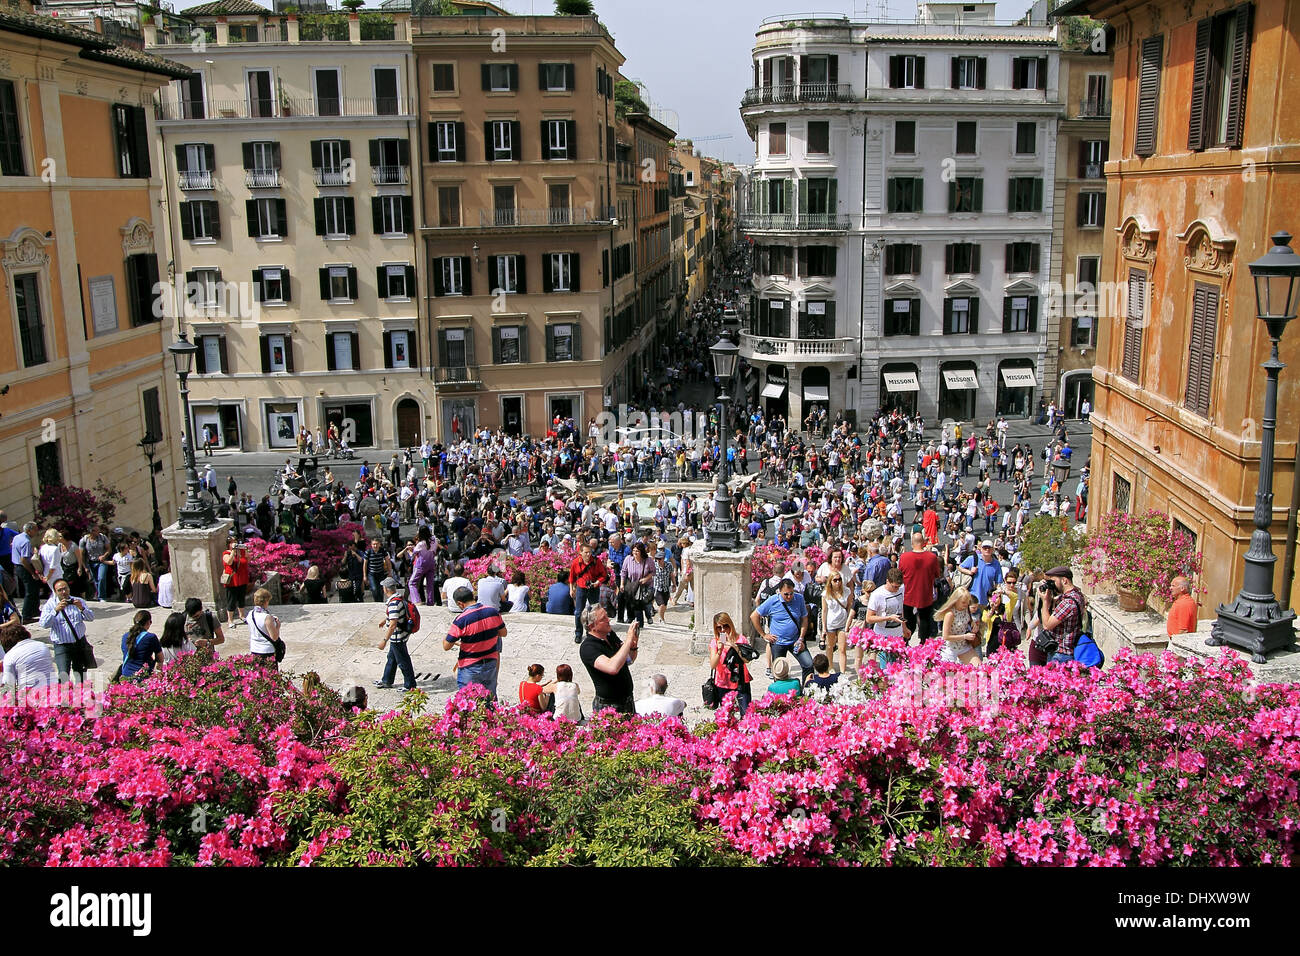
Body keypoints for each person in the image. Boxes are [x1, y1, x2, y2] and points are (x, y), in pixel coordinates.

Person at [443, 585, 507, 698]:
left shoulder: (461, 620)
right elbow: (503, 633)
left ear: (460, 604)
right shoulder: (492, 611)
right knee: (489, 699)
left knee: (469, 701)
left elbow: (446, 645)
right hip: (490, 663)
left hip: (470, 666)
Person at [578, 604, 638, 715]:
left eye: (607, 616)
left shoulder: (610, 636)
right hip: (609, 705)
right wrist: (628, 639)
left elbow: (628, 660)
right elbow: (612, 668)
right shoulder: (588, 647)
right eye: (603, 619)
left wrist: (633, 645)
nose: (608, 620)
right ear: (592, 626)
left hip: (627, 700)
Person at [751, 577, 813, 682]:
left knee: (808, 664)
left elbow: (804, 619)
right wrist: (764, 634)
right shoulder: (772, 600)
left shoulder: (799, 599)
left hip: (795, 640)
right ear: (780, 592)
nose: (789, 596)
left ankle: (806, 689)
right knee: (779, 671)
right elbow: (754, 616)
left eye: (791, 593)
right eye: (786, 594)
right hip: (778, 642)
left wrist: (801, 638)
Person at [39, 578, 95, 684]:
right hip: (62, 645)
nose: (63, 592)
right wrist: (55, 611)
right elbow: (43, 624)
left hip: (79, 643)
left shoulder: (78, 601)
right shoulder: (50, 605)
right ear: (55, 592)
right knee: (63, 674)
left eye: (65, 588)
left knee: (80, 673)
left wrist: (82, 608)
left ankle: (81, 696)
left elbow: (91, 617)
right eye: (60, 590)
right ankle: (64, 698)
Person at [1036, 566, 1087, 665]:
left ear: (1064, 580)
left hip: (1061, 654)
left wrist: (1045, 602)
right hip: (1064, 652)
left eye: (1053, 581)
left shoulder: (1068, 602)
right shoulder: (1077, 594)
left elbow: (1047, 625)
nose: (1052, 585)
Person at [375, 577, 417, 692]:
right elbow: (394, 616)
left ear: (386, 589)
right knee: (392, 659)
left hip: (397, 637)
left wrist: (384, 640)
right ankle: (386, 680)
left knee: (403, 661)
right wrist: (385, 620)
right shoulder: (398, 598)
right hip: (400, 635)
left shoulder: (393, 603)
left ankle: (410, 685)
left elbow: (393, 625)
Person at [863, 567, 909, 672]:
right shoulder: (877, 595)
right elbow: (869, 618)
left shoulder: (901, 589)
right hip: (883, 637)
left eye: (899, 586)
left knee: (899, 668)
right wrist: (889, 617)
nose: (897, 589)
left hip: (898, 635)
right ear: (887, 581)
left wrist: (904, 627)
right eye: (894, 587)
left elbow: (900, 609)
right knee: (887, 670)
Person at [899, 531, 941, 643]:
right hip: (925, 595)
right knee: (925, 620)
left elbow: (900, 573)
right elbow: (937, 574)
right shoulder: (932, 557)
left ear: (912, 543)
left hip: (908, 595)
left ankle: (905, 643)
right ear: (923, 543)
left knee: (908, 620)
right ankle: (923, 644)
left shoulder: (904, 557)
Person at [708, 611, 752, 715]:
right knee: (726, 714)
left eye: (725, 626)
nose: (723, 630)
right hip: (723, 682)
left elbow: (747, 660)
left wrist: (736, 647)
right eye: (719, 628)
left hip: (740, 680)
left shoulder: (741, 639)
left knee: (746, 713)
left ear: (730, 625)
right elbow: (713, 665)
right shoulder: (715, 642)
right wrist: (719, 650)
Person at [569, 542, 609, 644]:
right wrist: (571, 589)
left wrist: (597, 582)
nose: (588, 554)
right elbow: (572, 578)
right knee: (578, 612)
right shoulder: (575, 563)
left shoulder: (596, 561)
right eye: (586, 552)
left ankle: (591, 633)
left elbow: (603, 575)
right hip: (581, 588)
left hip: (593, 588)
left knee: (593, 612)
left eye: (590, 552)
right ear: (580, 553)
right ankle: (578, 633)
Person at [0, 622, 55, 692]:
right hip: (53, 689)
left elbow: (9, 684)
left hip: (30, 694)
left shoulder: (10, 655)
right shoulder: (42, 645)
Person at [937, 586, 982, 665]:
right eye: (963, 602)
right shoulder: (950, 614)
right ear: (956, 601)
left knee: (979, 668)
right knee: (949, 675)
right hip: (950, 648)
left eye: (967, 602)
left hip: (963, 646)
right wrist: (965, 636)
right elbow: (946, 636)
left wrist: (974, 626)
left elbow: (969, 622)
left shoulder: (966, 609)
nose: (966, 605)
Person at [821, 570, 853, 674]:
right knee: (830, 646)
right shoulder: (826, 594)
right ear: (830, 581)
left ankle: (843, 672)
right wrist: (824, 628)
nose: (838, 582)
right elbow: (824, 611)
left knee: (842, 648)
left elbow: (849, 607)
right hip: (831, 623)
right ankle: (830, 667)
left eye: (839, 579)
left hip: (843, 623)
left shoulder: (847, 591)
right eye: (835, 580)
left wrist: (849, 622)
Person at [11, 521, 43, 623]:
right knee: (30, 590)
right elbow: (23, 560)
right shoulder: (26, 541)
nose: (36, 532)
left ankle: (34, 610)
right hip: (23, 567)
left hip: (17, 566)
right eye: (35, 530)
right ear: (29, 531)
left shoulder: (18, 537)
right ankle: (26, 615)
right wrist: (33, 573)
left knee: (34, 588)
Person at [119, 609, 163, 681]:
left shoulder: (125, 636)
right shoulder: (151, 637)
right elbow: (160, 658)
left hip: (126, 676)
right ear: (148, 622)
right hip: (143, 677)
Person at [957, 540, 1004, 607]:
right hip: (971, 598)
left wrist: (993, 600)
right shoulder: (973, 559)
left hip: (987, 600)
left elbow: (997, 584)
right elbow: (959, 567)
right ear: (981, 549)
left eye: (989, 548)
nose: (987, 550)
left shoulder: (996, 564)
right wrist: (970, 572)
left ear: (993, 550)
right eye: (985, 548)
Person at [245, 587, 282, 668]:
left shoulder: (250, 614)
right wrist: (278, 626)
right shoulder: (267, 617)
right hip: (267, 650)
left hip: (254, 649)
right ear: (266, 601)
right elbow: (274, 637)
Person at [221, 537, 250, 628]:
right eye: (232, 542)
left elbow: (247, 560)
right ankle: (230, 619)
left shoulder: (240, 553)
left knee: (241, 598)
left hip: (242, 579)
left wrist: (246, 550)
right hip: (232, 581)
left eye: (235, 542)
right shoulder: (226, 553)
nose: (234, 543)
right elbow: (229, 562)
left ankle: (242, 615)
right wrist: (233, 551)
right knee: (231, 600)